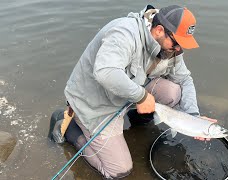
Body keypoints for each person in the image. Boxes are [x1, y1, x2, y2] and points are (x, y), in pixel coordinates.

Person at [60, 4, 216, 179]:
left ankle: (137, 120)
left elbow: (185, 79)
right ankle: (72, 131)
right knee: (119, 170)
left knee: (173, 93)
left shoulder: (169, 47)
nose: (179, 49)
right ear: (159, 30)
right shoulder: (124, 33)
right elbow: (106, 72)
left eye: (183, 45)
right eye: (177, 43)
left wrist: (193, 116)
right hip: (95, 104)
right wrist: (141, 97)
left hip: (127, 92)